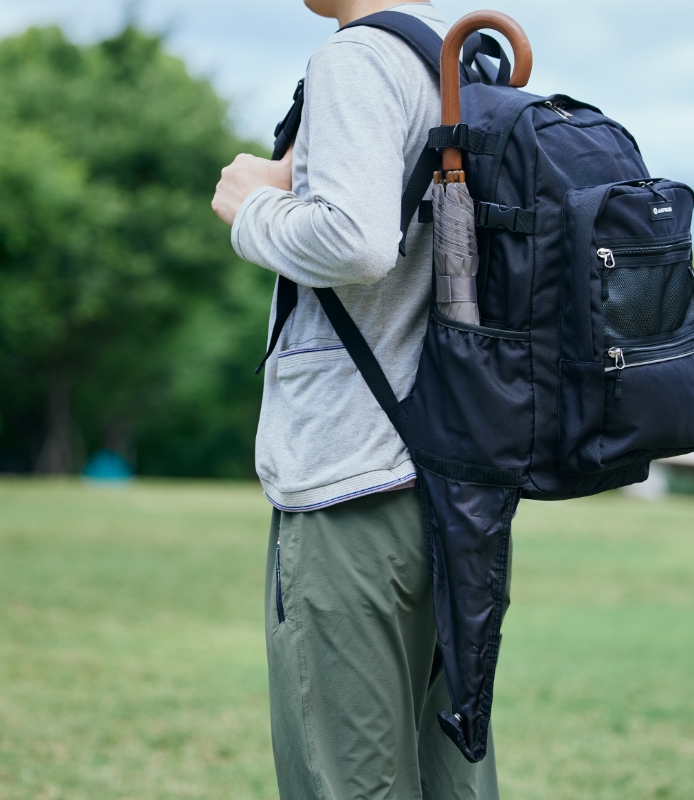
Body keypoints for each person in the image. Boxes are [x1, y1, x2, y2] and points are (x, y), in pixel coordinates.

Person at [210, 2, 502, 798]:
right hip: (443, 489)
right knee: (450, 778)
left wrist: (252, 206)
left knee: (347, 781)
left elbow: (359, 242)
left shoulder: (357, 58)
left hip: (351, 487)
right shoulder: (452, 62)